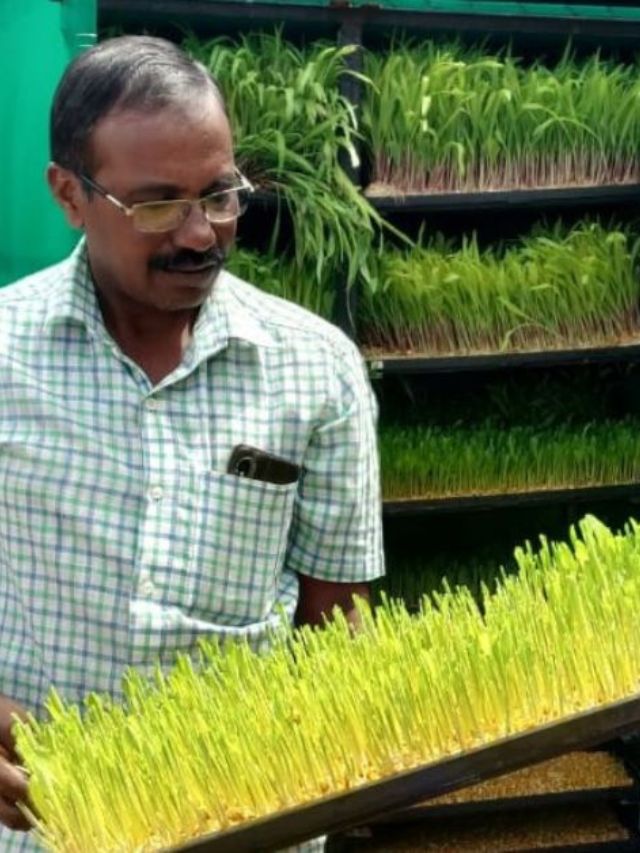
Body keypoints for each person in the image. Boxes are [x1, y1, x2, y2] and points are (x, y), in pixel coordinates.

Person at [0, 35, 383, 851]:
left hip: (250, 820)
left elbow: (336, 618)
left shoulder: (317, 369)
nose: (202, 234)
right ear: (69, 194)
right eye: (157, 203)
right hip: (43, 825)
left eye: (221, 194)